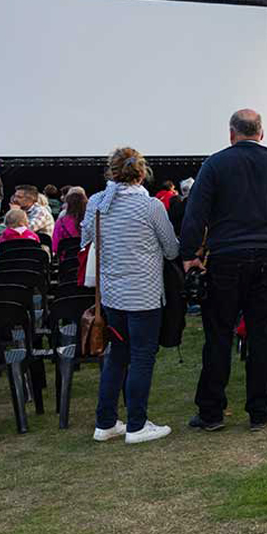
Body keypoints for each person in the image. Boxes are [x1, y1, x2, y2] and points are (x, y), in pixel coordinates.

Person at [180, 109, 267, 432]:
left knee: (219, 334)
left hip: (225, 257)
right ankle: (260, 410)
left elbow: (195, 213)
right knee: (263, 334)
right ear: (261, 133)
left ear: (231, 133)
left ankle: (211, 412)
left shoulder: (215, 165)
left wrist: (189, 254)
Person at [83, 147, 180, 445]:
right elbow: (172, 250)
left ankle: (106, 422)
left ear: (111, 172)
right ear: (141, 173)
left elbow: (86, 237)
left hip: (112, 294)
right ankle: (137, 423)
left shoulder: (97, 203)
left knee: (118, 357)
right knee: (141, 357)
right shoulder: (151, 207)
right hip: (144, 294)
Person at [53, 190, 86, 254]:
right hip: (86, 259)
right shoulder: (91, 221)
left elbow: (55, 247)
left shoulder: (61, 222)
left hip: (67, 260)